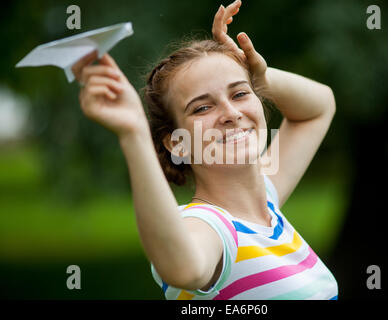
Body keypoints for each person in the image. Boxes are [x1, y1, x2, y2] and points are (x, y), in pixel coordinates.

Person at [73, 0, 338, 300]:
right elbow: (185, 270)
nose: (231, 113)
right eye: (202, 107)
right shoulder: (210, 227)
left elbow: (320, 105)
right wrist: (133, 132)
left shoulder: (266, 202)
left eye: (239, 93)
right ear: (176, 143)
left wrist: (260, 77)